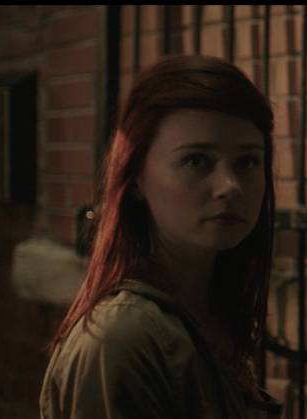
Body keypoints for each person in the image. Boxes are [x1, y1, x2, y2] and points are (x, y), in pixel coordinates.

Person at [40, 55, 282, 418]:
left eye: (247, 162)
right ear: (136, 177)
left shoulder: (207, 314)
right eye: (196, 160)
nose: (230, 186)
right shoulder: (121, 338)